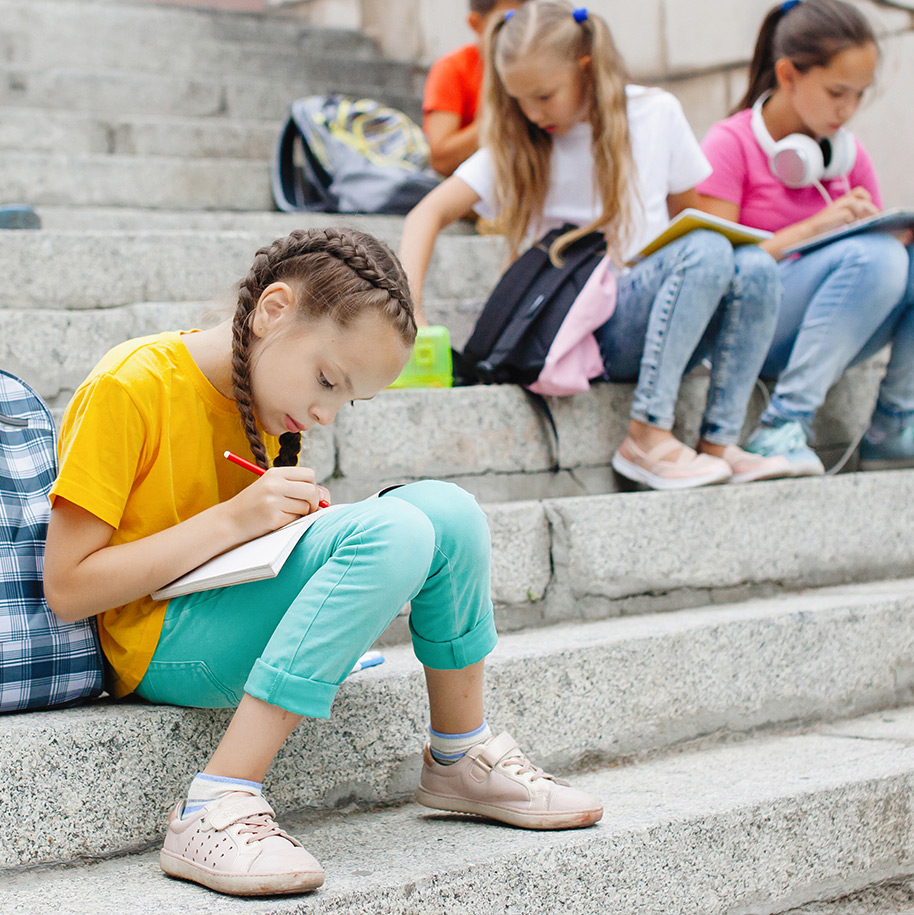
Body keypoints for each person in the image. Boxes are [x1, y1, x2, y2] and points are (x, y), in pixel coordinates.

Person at [41, 226, 603, 898]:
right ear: (272, 310)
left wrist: (288, 528)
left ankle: (458, 753)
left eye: (347, 399)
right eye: (328, 380)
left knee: (449, 512)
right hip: (155, 644)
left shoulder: (272, 406)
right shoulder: (130, 385)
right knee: (392, 531)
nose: (325, 413)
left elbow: (246, 547)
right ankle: (213, 801)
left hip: (230, 608)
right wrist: (237, 518)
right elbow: (69, 588)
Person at [401, 0, 790, 490]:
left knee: (752, 264)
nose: (532, 112)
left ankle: (719, 443)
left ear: (584, 66)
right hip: (577, 329)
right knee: (710, 251)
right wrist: (411, 311)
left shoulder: (655, 113)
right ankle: (647, 437)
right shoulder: (521, 138)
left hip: (657, 311)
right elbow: (426, 213)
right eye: (518, 99)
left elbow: (694, 222)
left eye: (544, 95)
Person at [696, 0, 914, 473]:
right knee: (874, 258)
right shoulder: (729, 145)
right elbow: (711, 271)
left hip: (829, 327)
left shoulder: (847, 157)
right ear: (789, 75)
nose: (849, 109)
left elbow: (881, 267)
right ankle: (780, 425)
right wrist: (818, 226)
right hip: (741, 333)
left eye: (859, 95)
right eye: (838, 92)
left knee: (895, 257)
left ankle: (894, 422)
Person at [422, 0, 528, 176]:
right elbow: (441, 160)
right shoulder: (452, 68)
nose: (522, 31)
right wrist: (501, 115)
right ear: (475, 23)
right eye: (509, 21)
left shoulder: (537, 63)